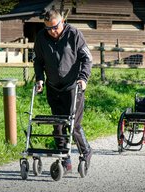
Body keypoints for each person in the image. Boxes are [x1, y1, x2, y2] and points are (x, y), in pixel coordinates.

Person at [33, 8, 93, 173]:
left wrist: (83, 78)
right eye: (48, 28)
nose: (52, 31)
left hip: (73, 87)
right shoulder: (41, 37)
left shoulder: (74, 34)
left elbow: (87, 59)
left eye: (55, 27)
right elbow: (38, 61)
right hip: (53, 87)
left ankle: (86, 152)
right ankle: (64, 159)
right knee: (58, 126)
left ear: (62, 22)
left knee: (73, 126)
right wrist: (39, 78)